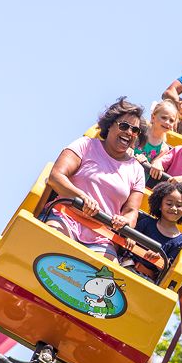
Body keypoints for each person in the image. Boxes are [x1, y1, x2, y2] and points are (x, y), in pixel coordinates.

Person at [45, 97, 146, 260]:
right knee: (51, 243)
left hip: (101, 235)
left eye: (135, 130)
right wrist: (82, 198)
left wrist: (125, 221)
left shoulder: (137, 170)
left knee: (106, 274)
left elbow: (131, 210)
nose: (129, 132)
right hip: (67, 217)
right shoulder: (86, 145)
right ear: (110, 125)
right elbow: (56, 176)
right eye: (124, 126)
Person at [132, 180, 182, 264]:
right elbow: (130, 237)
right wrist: (130, 240)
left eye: (179, 205)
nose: (174, 208)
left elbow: (168, 267)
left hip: (146, 276)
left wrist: (159, 259)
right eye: (169, 204)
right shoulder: (147, 222)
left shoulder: (180, 241)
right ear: (160, 205)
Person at [134, 100, 178, 165]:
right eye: (164, 117)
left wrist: (147, 162)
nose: (167, 122)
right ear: (153, 117)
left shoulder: (164, 148)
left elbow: (152, 168)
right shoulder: (140, 132)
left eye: (171, 120)